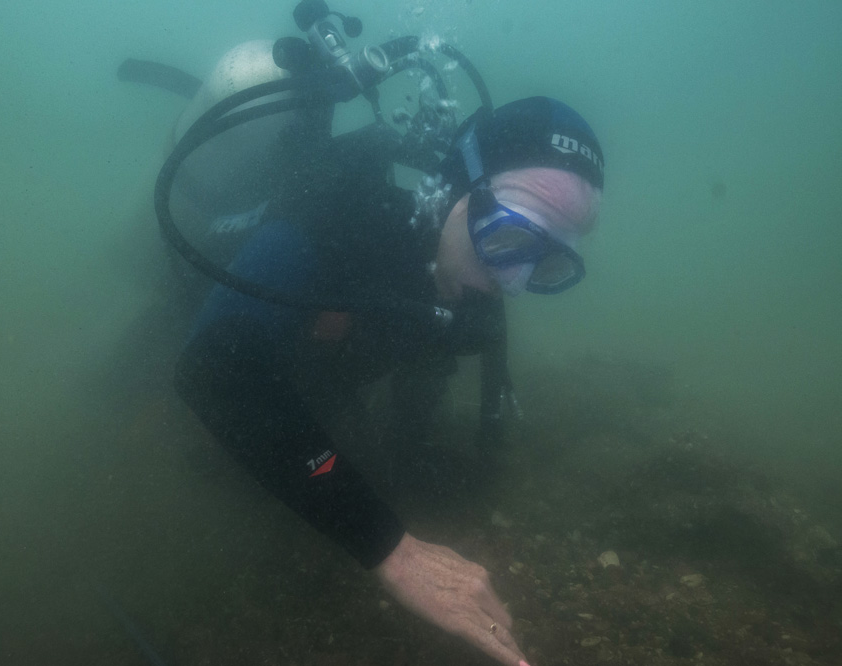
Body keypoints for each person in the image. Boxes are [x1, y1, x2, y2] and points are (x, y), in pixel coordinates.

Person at [167, 39, 604, 666]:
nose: (512, 280)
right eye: (510, 237)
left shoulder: (470, 275)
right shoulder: (335, 217)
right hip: (243, 323)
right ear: (462, 184)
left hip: (316, 375)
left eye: (547, 262)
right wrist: (391, 548)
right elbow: (212, 370)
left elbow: (428, 374)